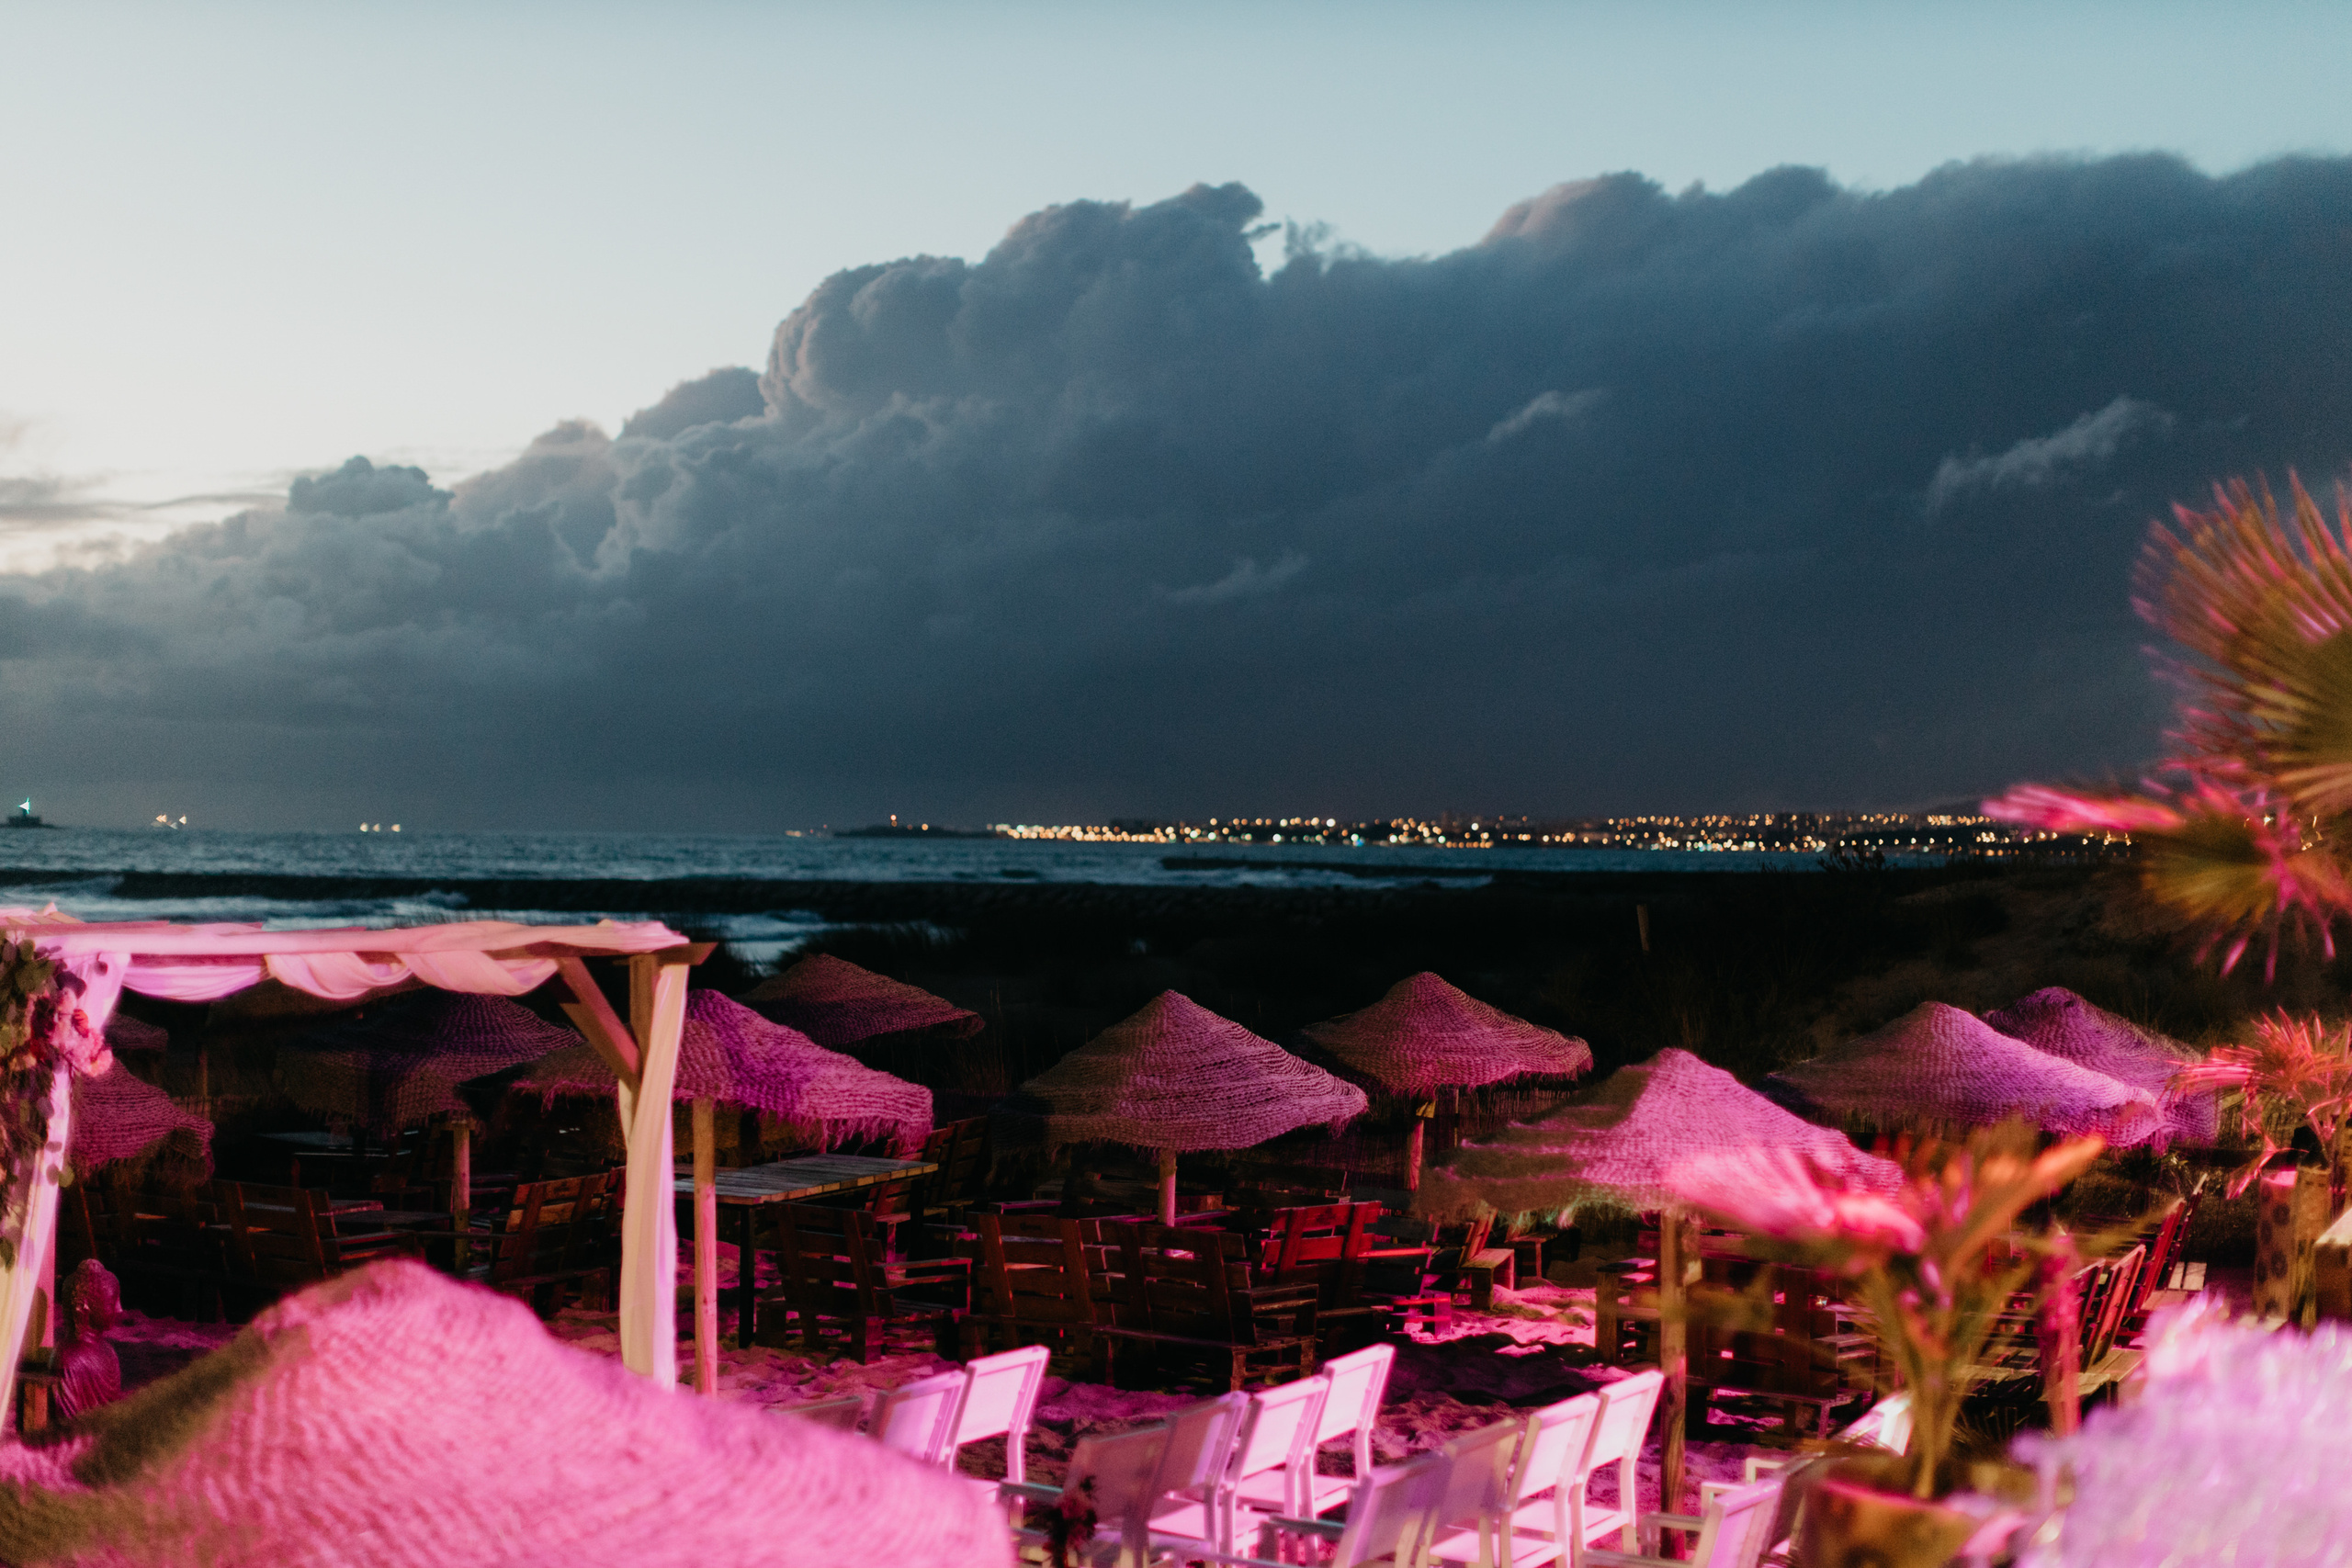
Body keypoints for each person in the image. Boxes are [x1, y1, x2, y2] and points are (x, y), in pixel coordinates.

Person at [54, 1258, 122, 1420]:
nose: (119, 1309)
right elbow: (68, 1422)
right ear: (86, 1305)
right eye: (112, 1302)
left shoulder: (109, 1352)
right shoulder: (69, 1360)